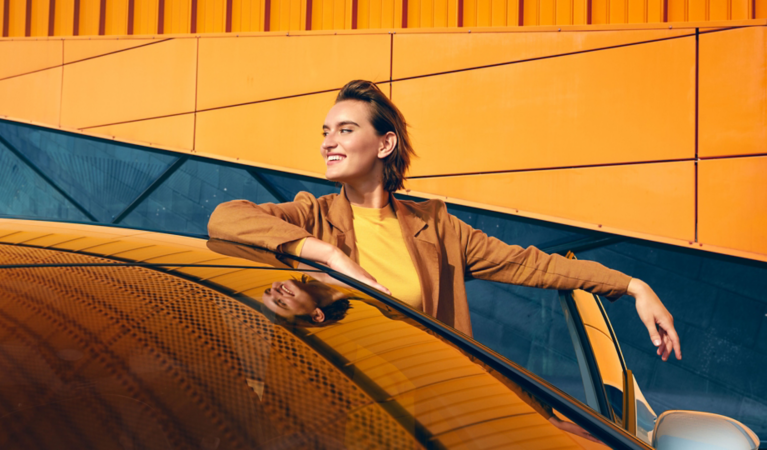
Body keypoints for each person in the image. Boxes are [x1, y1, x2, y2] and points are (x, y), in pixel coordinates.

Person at [208, 80, 681, 361]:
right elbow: (226, 217)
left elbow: (533, 265)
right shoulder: (313, 214)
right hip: (331, 401)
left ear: (385, 144)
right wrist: (329, 255)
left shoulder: (438, 227)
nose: (328, 142)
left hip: (422, 407)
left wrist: (632, 285)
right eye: (326, 132)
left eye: (346, 130)